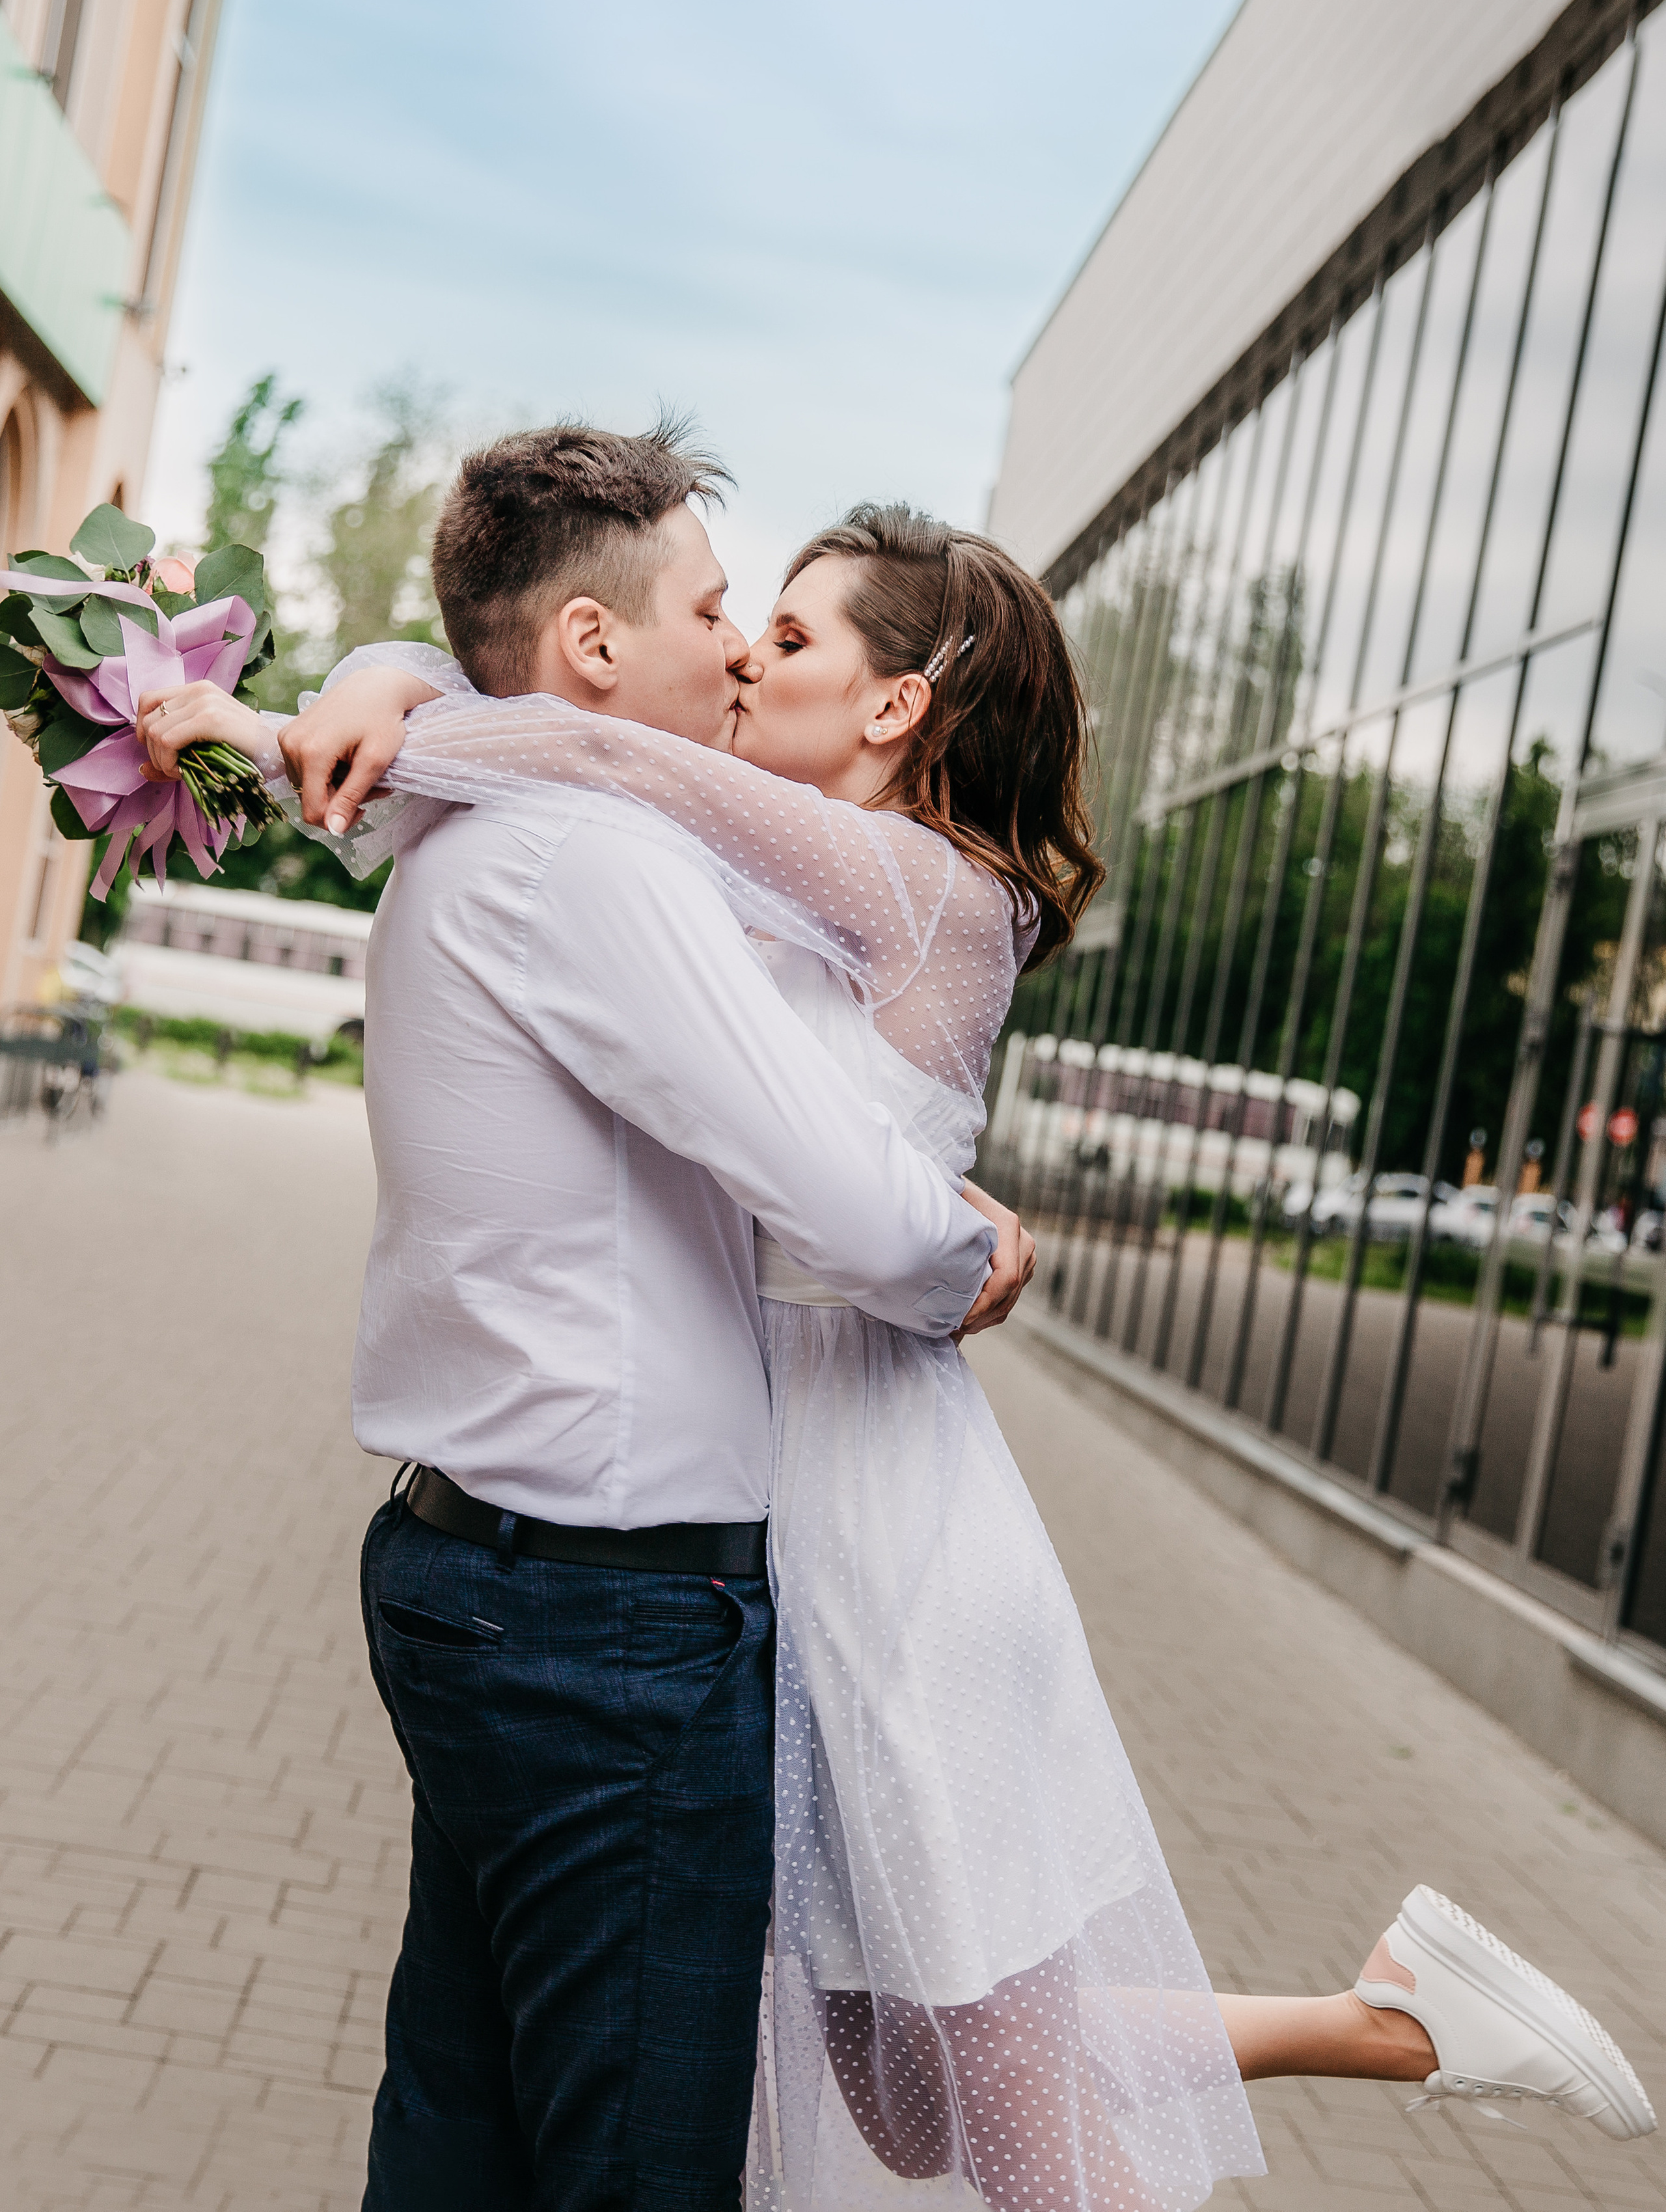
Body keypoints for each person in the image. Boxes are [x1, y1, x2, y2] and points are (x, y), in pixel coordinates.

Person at [142, 432, 1657, 2209]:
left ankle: (1387, 2024)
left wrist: (270, 723)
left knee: (1004, 2125)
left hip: (884, 1527)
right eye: (735, 620)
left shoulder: (933, 887)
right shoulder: (745, 880)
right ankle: (1376, 2018)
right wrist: (379, 670)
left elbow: (566, 738)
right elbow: (541, 737)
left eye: (783, 636)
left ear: (894, 708)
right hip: (786, 1514)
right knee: (900, 2080)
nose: (747, 658)